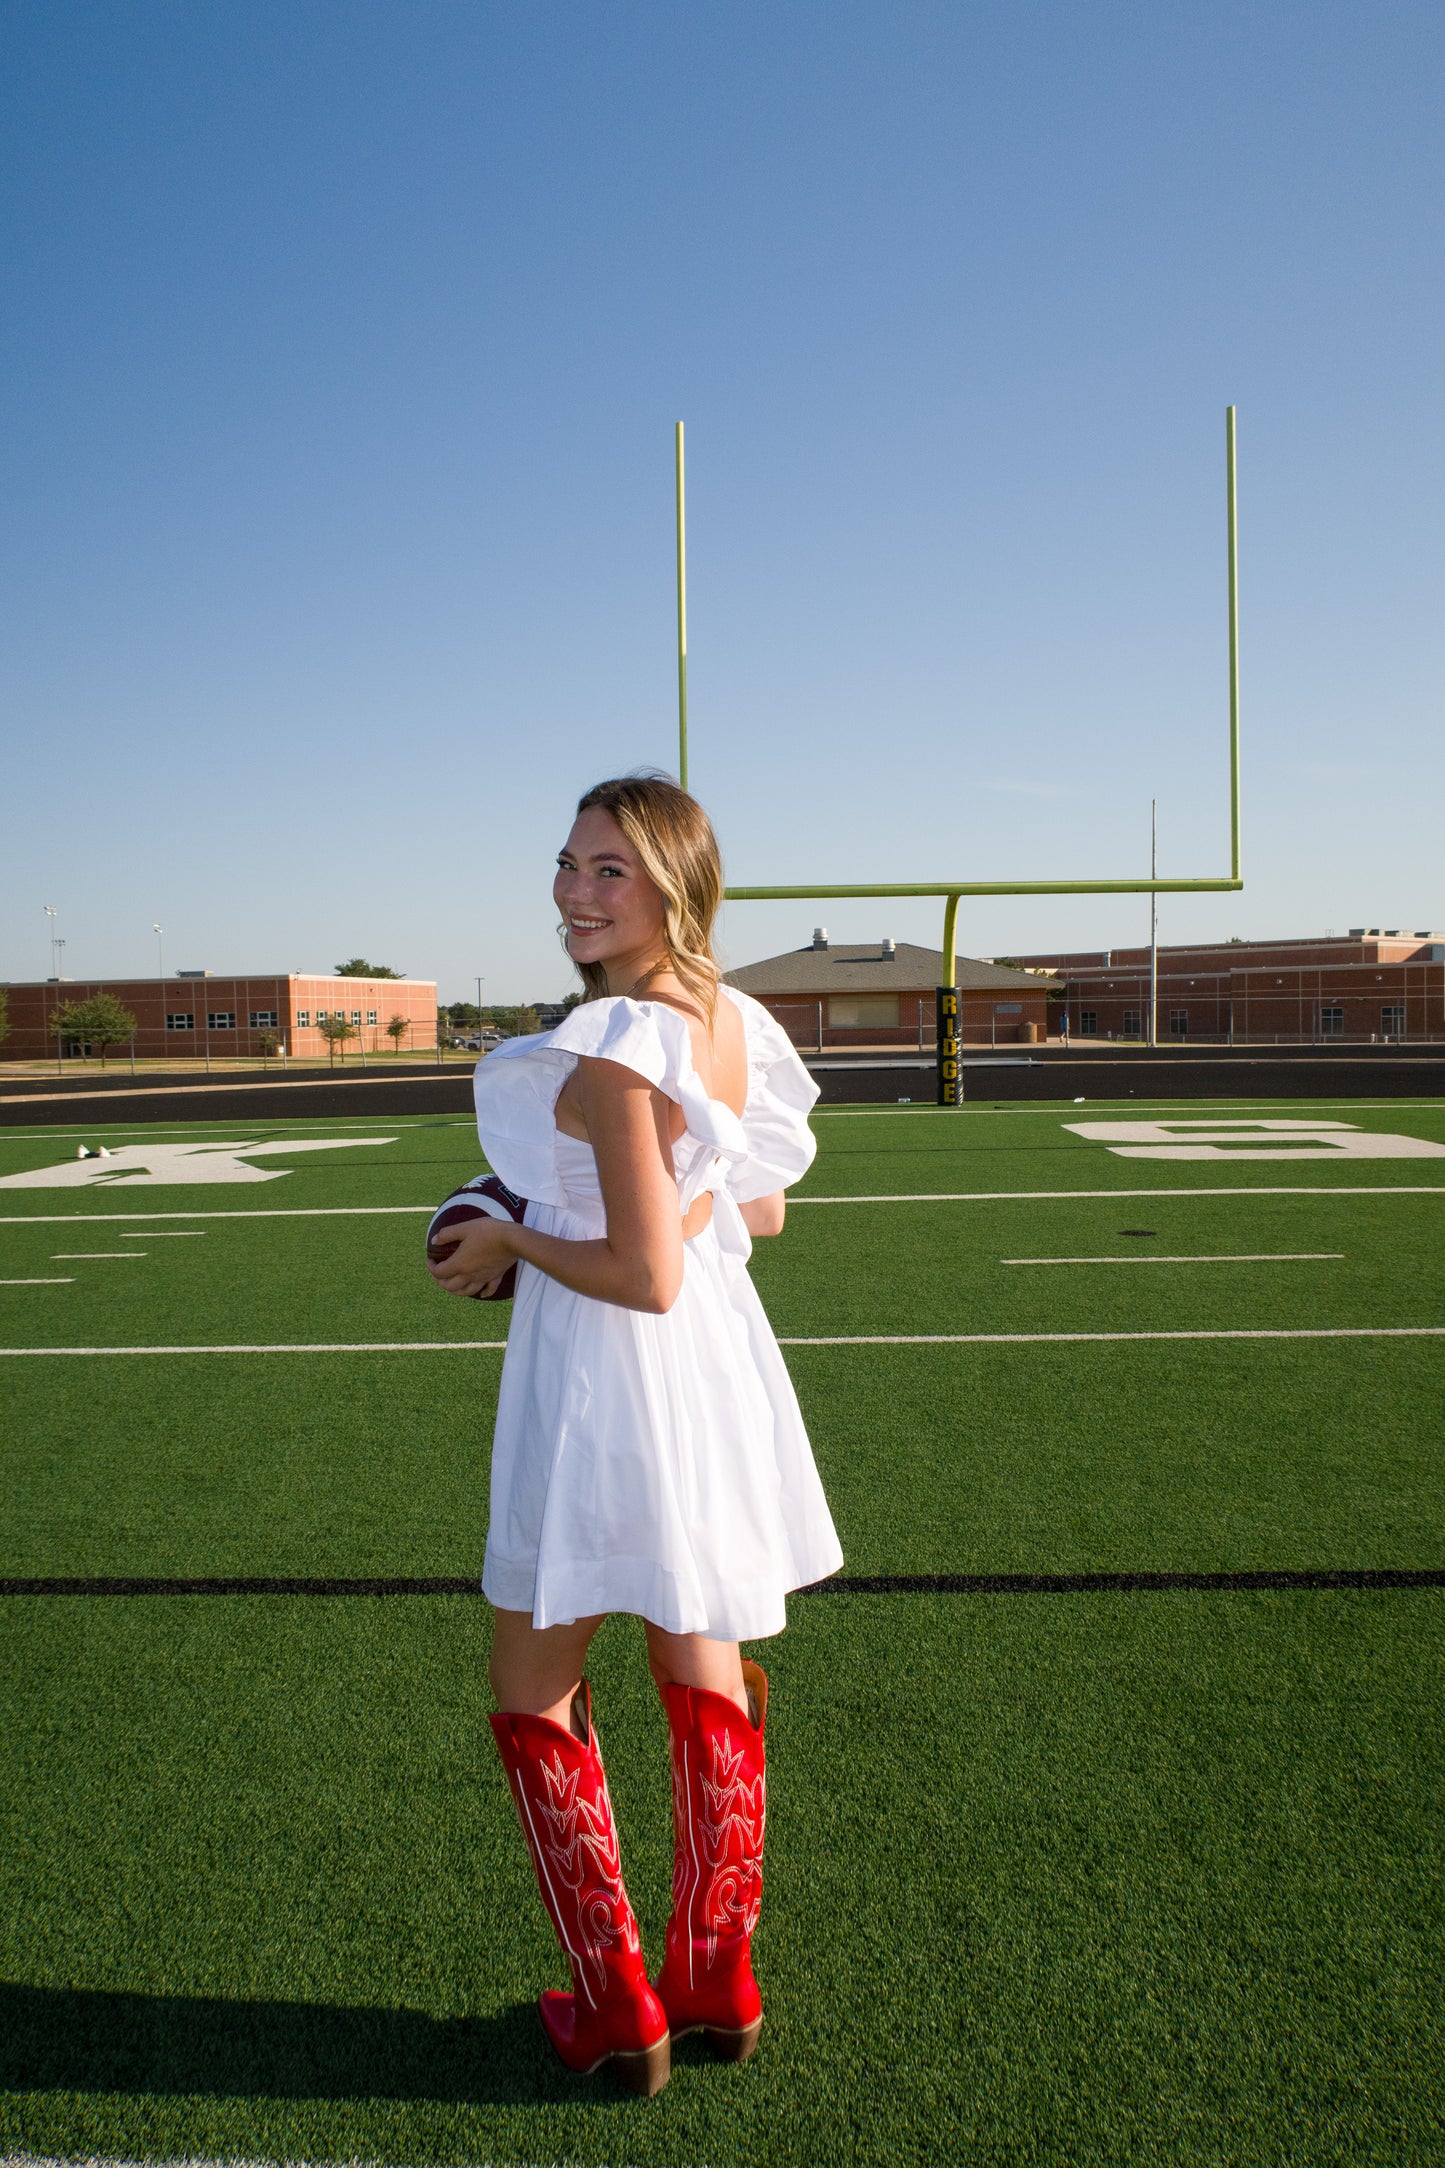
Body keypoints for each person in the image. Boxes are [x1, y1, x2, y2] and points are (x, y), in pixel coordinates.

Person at [428, 773, 842, 2097]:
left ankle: (615, 2006)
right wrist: (655, 1204)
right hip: (714, 1375)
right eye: (566, 863)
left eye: (609, 869)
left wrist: (505, 1237)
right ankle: (717, 1974)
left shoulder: (613, 1037)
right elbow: (754, 1214)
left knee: (532, 1680)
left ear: (674, 882)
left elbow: (640, 1274)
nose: (572, 891)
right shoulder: (726, 1017)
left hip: (611, 1377)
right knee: (696, 1651)